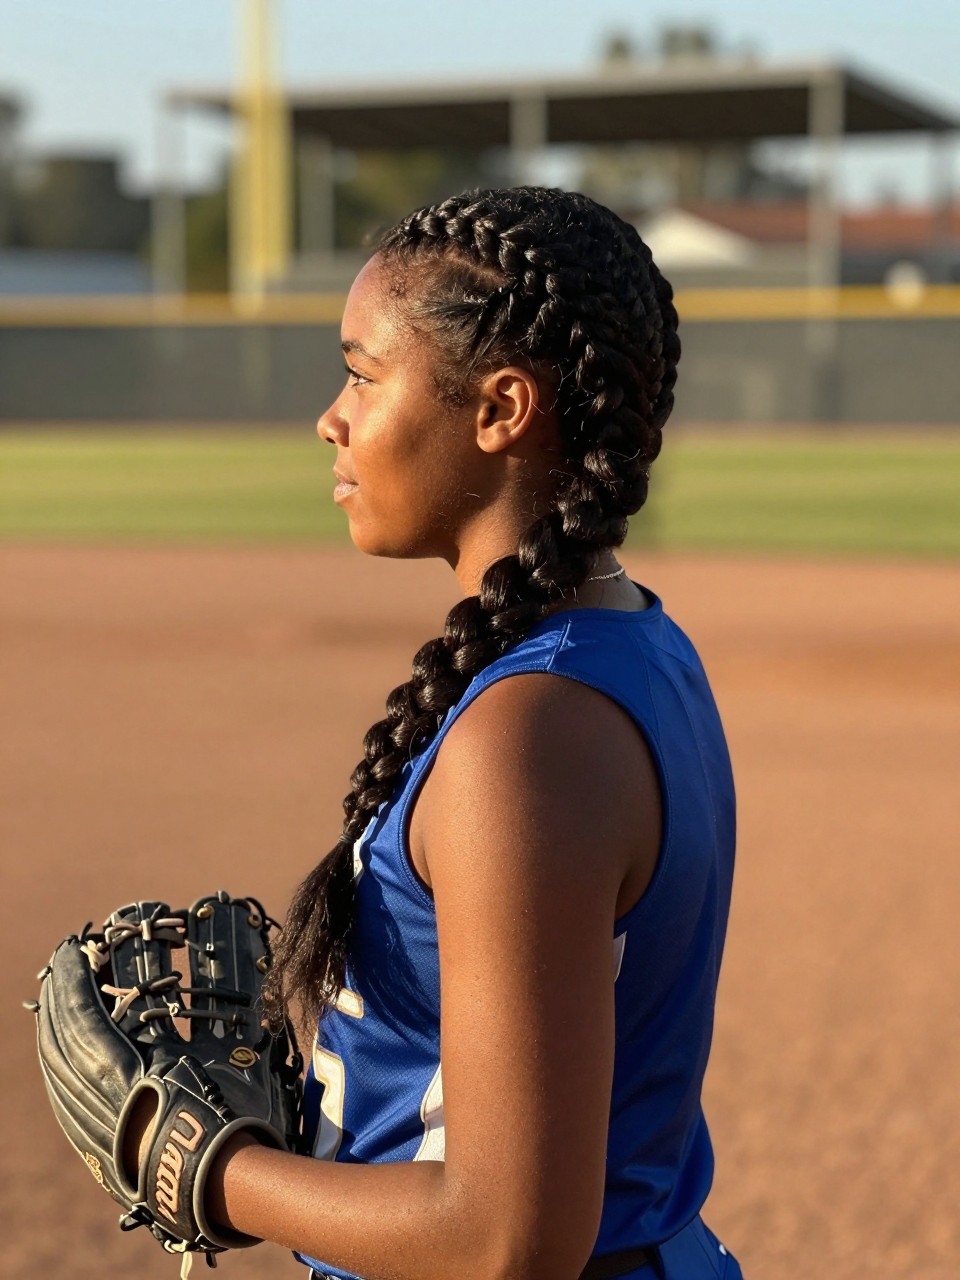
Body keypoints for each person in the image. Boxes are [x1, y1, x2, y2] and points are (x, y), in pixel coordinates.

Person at [206, 186, 744, 1280]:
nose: (333, 415)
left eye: (363, 373)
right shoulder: (627, 645)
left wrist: (209, 1168)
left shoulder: (529, 740)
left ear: (501, 408)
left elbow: (505, 1235)